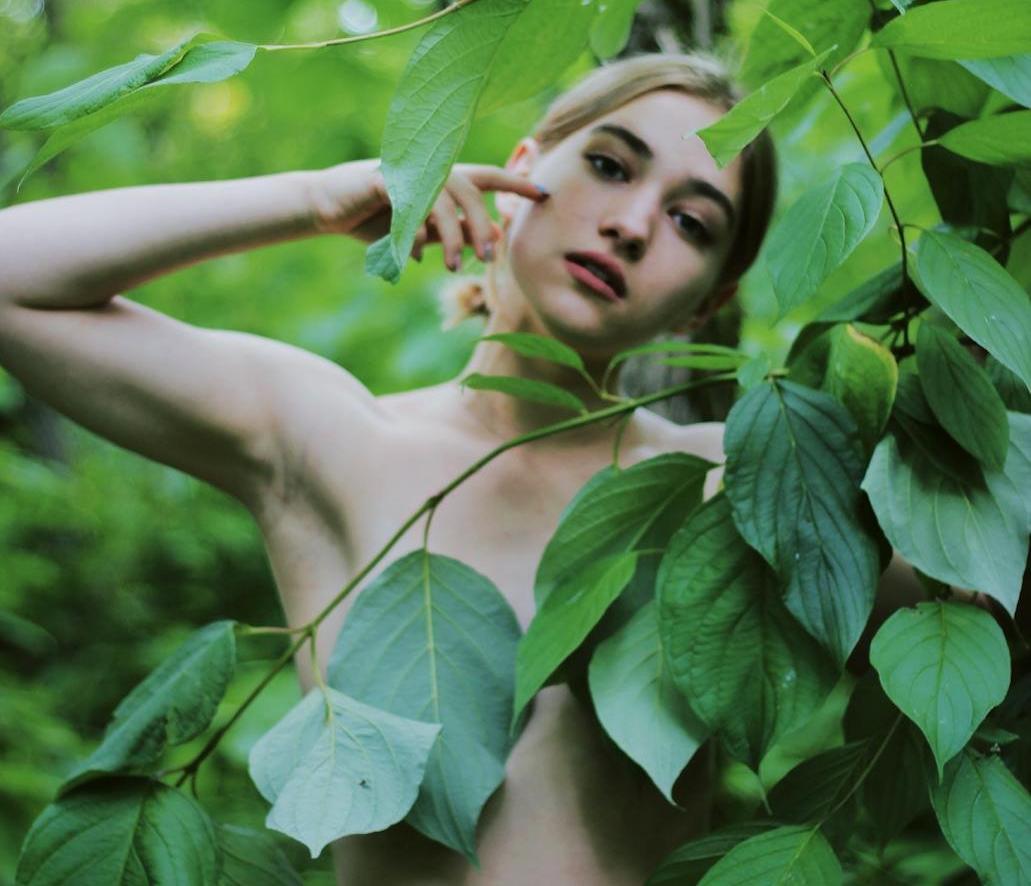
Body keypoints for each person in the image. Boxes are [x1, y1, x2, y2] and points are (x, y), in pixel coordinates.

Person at [0, 51, 778, 884]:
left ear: (709, 301)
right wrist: (314, 200)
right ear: (518, 171)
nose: (631, 224)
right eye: (608, 165)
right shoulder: (336, 442)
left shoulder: (727, 484)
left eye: (690, 222)